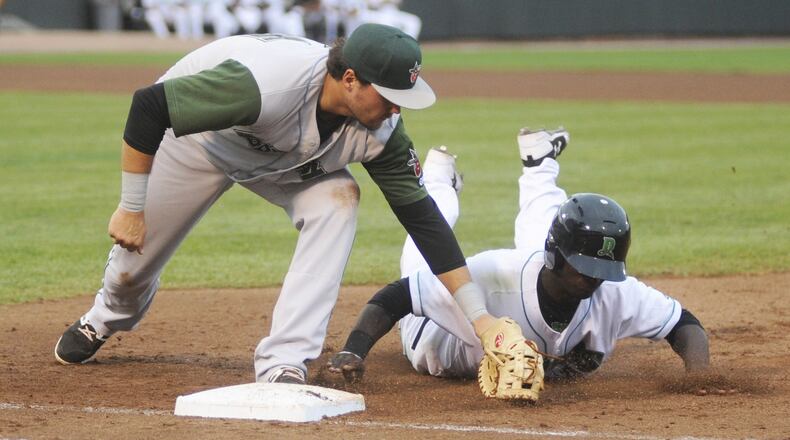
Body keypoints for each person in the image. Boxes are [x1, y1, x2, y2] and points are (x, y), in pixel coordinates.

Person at [53, 24, 511, 385]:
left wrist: (481, 318)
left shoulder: (382, 131)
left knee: (339, 199)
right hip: (200, 141)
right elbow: (149, 107)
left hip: (283, 156)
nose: (397, 110)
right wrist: (131, 206)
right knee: (131, 272)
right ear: (350, 79)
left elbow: (423, 220)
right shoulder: (266, 85)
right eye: (390, 97)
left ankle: (285, 360)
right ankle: (104, 317)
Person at [327, 127, 710, 387]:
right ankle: (440, 179)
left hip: (536, 264)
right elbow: (396, 296)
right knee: (427, 249)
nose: (593, 279)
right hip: (432, 336)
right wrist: (353, 350)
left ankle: (540, 164)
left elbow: (683, 324)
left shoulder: (615, 291)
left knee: (543, 227)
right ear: (555, 258)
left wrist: (700, 375)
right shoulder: (493, 273)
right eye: (584, 269)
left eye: (602, 270)